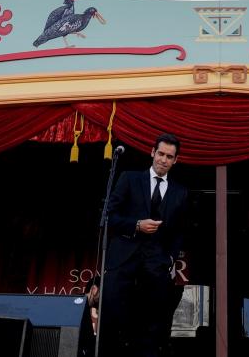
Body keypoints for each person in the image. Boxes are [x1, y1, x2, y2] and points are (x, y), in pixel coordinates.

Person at [100, 134, 188, 357]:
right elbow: (109, 216)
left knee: (150, 330)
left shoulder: (180, 192)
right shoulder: (129, 179)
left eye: (169, 156)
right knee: (114, 326)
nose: (163, 160)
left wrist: (169, 258)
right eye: (160, 154)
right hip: (122, 262)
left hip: (155, 268)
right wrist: (137, 225)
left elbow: (180, 231)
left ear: (175, 160)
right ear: (152, 152)